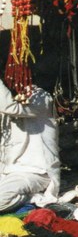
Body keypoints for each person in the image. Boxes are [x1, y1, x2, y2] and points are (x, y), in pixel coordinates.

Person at [0, 76, 60, 213]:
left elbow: (11, 107)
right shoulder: (10, 98)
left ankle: (30, 198)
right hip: (8, 171)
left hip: (34, 172)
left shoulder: (41, 97)